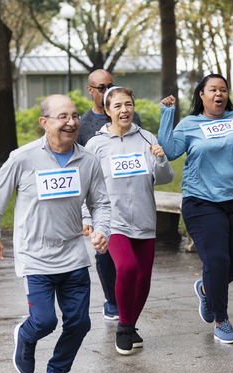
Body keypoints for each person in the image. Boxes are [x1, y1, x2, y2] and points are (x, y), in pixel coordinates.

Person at [0, 95, 111, 373]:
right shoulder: (22, 158)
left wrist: (102, 229)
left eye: (75, 116)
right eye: (62, 116)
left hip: (73, 255)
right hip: (35, 256)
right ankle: (25, 336)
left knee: (80, 322)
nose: (71, 122)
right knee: (44, 321)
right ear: (45, 123)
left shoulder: (87, 160)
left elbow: (101, 202)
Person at [157, 75, 233, 344]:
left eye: (223, 89)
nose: (219, 94)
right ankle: (222, 320)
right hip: (201, 201)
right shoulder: (190, 124)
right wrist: (167, 114)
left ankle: (207, 288)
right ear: (201, 95)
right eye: (212, 90)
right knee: (217, 260)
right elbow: (170, 151)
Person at [82, 86, 174, 355]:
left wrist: (159, 159)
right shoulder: (96, 145)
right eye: (118, 105)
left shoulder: (146, 137)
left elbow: (165, 177)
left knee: (144, 276)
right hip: (113, 220)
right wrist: (88, 218)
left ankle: (131, 324)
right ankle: (123, 326)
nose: (124, 110)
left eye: (129, 104)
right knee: (128, 268)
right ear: (108, 111)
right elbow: (84, 186)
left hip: (145, 218)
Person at [78, 69, 142, 322]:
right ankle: (111, 300)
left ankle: (125, 297)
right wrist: (86, 212)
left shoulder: (130, 116)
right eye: (101, 87)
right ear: (91, 91)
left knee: (130, 257)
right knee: (104, 251)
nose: (106, 91)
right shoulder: (84, 125)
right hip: (99, 199)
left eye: (110, 86)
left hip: (130, 197)